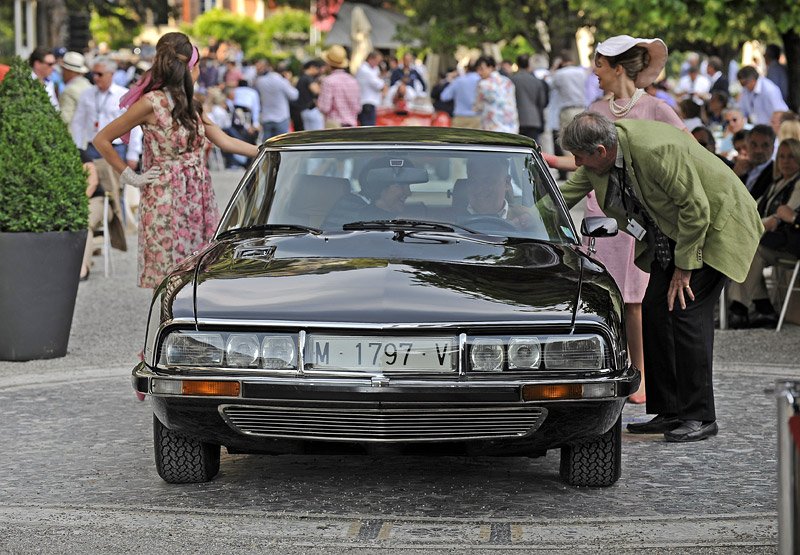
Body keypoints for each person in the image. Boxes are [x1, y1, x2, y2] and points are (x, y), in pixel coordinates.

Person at [559, 112, 762, 442]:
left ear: (600, 150)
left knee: (687, 314)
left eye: (580, 156)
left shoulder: (653, 150)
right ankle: (669, 410)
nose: (577, 163)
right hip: (674, 236)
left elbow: (696, 209)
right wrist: (516, 218)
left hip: (716, 228)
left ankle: (699, 415)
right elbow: (560, 198)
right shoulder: (601, 162)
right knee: (654, 308)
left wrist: (684, 269)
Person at [92, 32, 258, 290]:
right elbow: (102, 139)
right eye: (198, 65)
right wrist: (130, 176)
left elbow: (225, 141)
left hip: (197, 194)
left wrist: (266, 151)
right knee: (170, 275)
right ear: (189, 67)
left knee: (197, 272)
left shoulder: (191, 103)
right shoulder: (151, 102)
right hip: (166, 195)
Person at [727, 138, 800, 328]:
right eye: (782, 156)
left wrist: (754, 227)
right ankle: (758, 307)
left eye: (791, 156)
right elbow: (756, 208)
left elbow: (780, 216)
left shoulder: (798, 183)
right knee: (746, 250)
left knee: (752, 250)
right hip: (770, 242)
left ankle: (743, 307)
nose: (785, 161)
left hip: (789, 244)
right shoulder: (776, 183)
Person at [317, 45, 361, 128]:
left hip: (334, 127)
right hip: (351, 125)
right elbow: (358, 108)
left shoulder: (328, 81)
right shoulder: (353, 80)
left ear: (328, 64)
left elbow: (325, 108)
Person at [253, 59, 298, 139]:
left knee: (267, 146)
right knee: (282, 145)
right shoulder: (278, 79)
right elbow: (294, 95)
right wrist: (288, 81)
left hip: (266, 117)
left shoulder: (258, 81)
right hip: (281, 117)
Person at [473, 55, 518, 134]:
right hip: (511, 127)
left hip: (492, 128)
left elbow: (477, 107)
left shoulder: (483, 84)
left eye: (481, 69)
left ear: (491, 67)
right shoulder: (507, 81)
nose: (479, 72)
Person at [510, 54, 549, 143]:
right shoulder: (536, 81)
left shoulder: (511, 80)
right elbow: (542, 102)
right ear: (529, 65)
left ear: (517, 65)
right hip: (534, 119)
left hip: (517, 120)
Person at [439, 63, 481, 128]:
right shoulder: (481, 80)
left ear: (466, 69)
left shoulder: (459, 81)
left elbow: (444, 96)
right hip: (477, 118)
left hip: (460, 118)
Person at [59, 51, 91, 127]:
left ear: (69, 71)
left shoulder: (70, 90)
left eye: (63, 70)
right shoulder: (88, 85)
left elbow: (64, 120)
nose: (62, 73)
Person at [356, 51, 386, 126]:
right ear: (370, 59)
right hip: (367, 103)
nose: (377, 64)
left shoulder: (373, 69)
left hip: (370, 103)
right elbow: (380, 84)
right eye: (377, 61)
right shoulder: (364, 70)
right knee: (368, 129)